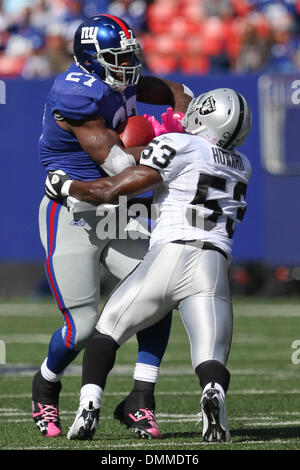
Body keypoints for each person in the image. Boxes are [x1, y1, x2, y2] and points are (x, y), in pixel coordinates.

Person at [47, 88, 252, 442]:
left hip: (169, 254)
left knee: (107, 331)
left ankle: (89, 405)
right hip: (214, 265)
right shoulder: (242, 166)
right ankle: (212, 394)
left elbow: (113, 190)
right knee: (210, 356)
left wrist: (68, 186)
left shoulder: (182, 145)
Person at [32, 13, 193, 439]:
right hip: (75, 209)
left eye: (129, 56)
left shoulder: (119, 77)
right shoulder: (74, 93)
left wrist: (179, 118)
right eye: (117, 58)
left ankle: (142, 397)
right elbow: (120, 167)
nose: (128, 66)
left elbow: (178, 91)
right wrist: (172, 143)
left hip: (120, 209)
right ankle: (45, 383)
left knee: (159, 291)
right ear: (91, 59)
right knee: (81, 327)